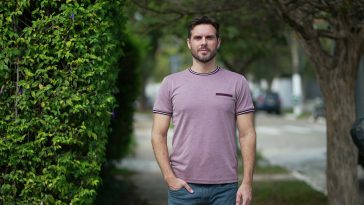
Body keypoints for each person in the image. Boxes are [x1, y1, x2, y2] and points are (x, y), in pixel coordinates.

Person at [151, 16, 256, 205]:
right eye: (198, 38)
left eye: (210, 37)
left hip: (225, 188)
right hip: (183, 187)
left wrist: (247, 182)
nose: (204, 43)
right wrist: (169, 177)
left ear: (218, 42)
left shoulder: (237, 82)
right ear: (189, 43)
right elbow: (158, 134)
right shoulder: (171, 83)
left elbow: (247, 134)